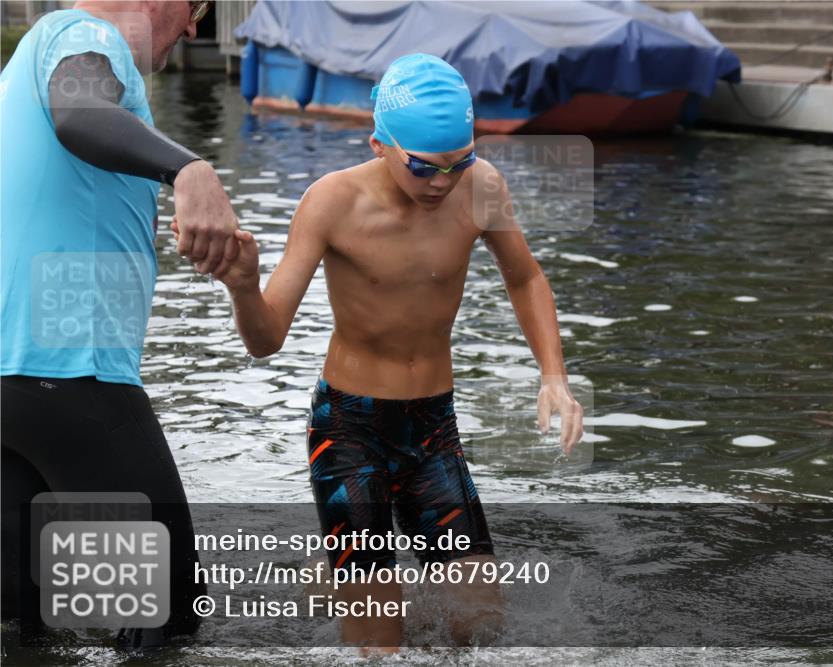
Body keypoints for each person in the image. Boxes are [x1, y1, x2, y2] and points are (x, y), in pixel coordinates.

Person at [200, 53, 585, 653]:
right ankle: (343, 567)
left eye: (460, 162)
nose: (443, 182)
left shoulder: (481, 188)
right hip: (349, 430)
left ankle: (337, 568)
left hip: (433, 427)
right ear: (379, 144)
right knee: (380, 643)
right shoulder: (332, 202)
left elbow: (525, 277)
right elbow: (266, 340)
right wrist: (244, 287)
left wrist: (553, 376)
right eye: (424, 167)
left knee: (479, 627)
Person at [0, 0, 238, 647]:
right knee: (166, 618)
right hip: (70, 377)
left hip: (14, 391)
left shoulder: (25, 60)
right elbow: (80, 112)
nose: (194, 26)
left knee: (24, 629)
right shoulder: (85, 37)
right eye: (196, 5)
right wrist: (189, 168)